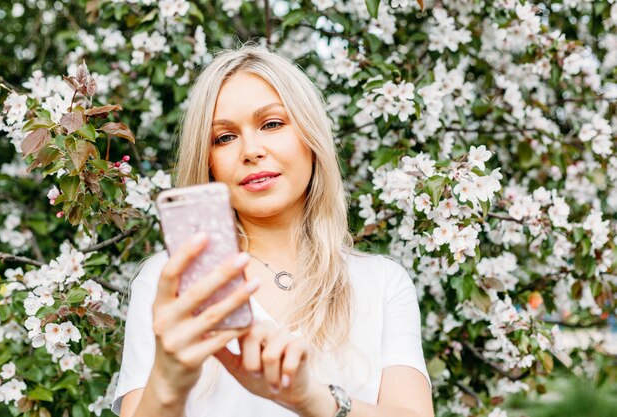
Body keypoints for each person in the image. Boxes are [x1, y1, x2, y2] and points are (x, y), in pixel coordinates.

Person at [112, 41, 434, 417]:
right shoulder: (171, 280)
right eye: (224, 137)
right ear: (209, 161)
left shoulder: (381, 283)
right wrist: (168, 379)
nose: (251, 150)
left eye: (272, 124)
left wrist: (313, 400)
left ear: (311, 139)